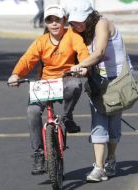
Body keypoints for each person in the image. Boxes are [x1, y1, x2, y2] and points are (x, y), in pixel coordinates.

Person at [8, 4, 89, 175]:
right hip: (45, 83)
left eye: (57, 20)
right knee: (32, 112)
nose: (54, 24)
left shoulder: (73, 36)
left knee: (76, 85)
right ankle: (38, 154)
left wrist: (82, 66)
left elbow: (82, 52)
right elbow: (28, 59)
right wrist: (15, 75)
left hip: (66, 79)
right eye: (49, 20)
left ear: (64, 21)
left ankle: (67, 117)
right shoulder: (41, 41)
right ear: (45, 23)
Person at [66, 0, 133, 182]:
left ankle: (111, 159)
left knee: (113, 124)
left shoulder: (103, 23)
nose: (76, 25)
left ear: (90, 17)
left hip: (117, 80)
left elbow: (100, 51)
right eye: (73, 22)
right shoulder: (77, 32)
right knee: (98, 122)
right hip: (97, 81)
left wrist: (80, 65)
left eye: (80, 21)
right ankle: (99, 167)